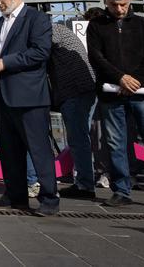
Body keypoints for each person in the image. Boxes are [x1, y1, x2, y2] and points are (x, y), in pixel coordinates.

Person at [0, 0, 59, 216]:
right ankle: (16, 195)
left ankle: (49, 199)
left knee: (38, 149)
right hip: (4, 96)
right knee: (9, 150)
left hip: (30, 97)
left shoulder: (36, 20)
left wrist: (4, 63)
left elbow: (40, 52)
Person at [86, 0, 144, 208]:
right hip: (113, 92)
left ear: (129, 1)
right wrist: (121, 78)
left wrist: (134, 80)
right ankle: (121, 190)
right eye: (114, 5)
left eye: (123, 4)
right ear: (105, 2)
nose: (119, 9)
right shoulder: (96, 26)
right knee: (115, 142)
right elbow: (96, 57)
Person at [47, 13, 98, 200]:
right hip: (82, 87)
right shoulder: (59, 29)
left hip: (74, 88)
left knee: (78, 137)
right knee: (81, 136)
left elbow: (38, 52)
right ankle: (84, 180)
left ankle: (85, 185)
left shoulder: (51, 30)